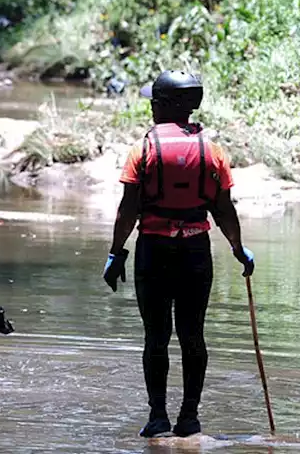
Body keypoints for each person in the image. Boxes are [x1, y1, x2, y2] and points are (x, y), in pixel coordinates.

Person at [102, 71, 254, 438]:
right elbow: (224, 209)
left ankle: (157, 416)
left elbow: (128, 210)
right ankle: (189, 418)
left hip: (154, 252)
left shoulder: (143, 150)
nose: (151, 108)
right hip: (195, 254)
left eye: (154, 102)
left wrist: (116, 252)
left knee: (156, 336)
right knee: (193, 335)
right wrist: (237, 248)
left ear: (166, 106)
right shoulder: (212, 151)